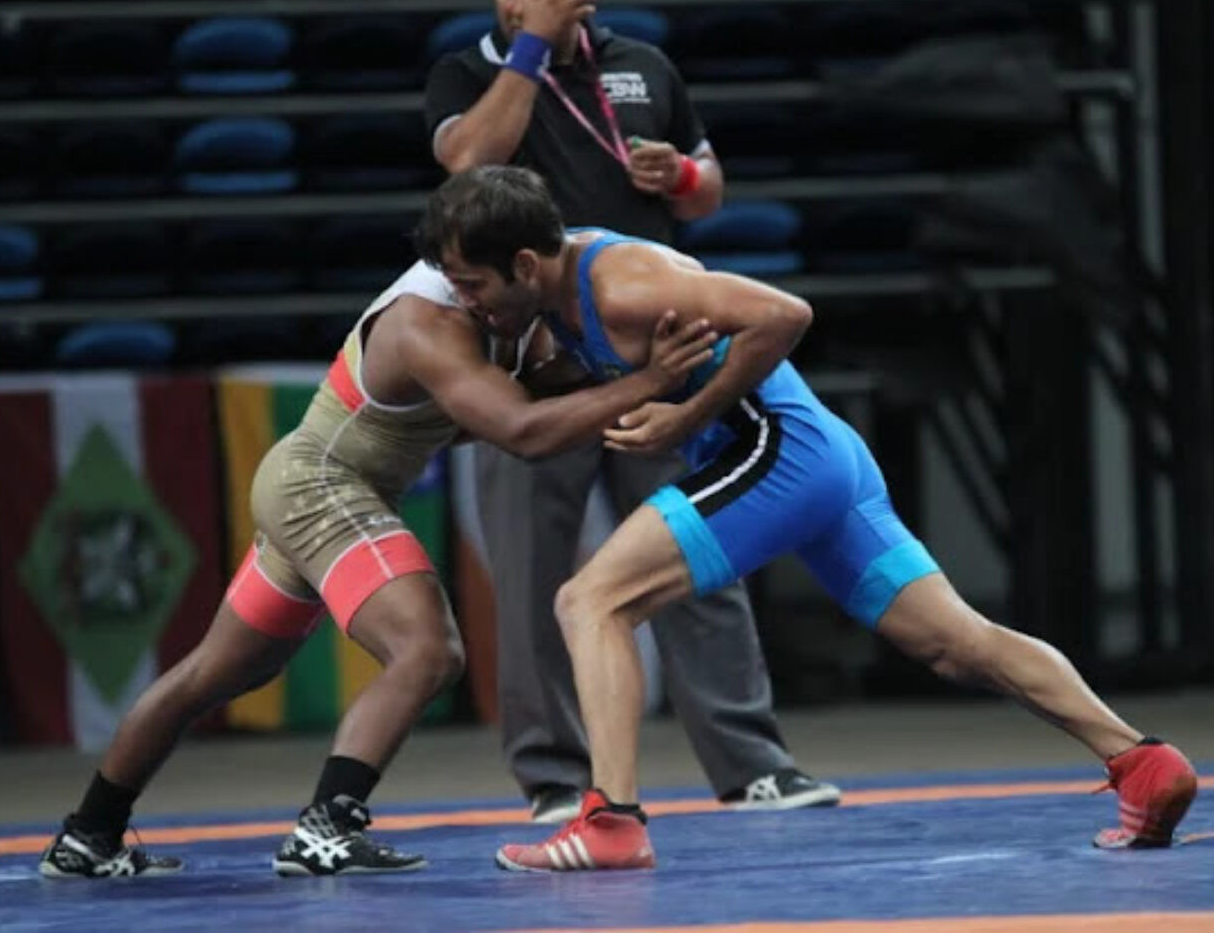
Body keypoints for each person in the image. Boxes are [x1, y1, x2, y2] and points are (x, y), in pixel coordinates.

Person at [412, 165, 1201, 873]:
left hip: (780, 451)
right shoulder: (552, 305)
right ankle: (1140, 760)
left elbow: (784, 313)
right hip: (820, 463)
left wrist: (687, 421)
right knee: (955, 643)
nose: (468, 304)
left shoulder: (623, 283)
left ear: (523, 265)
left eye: (472, 285)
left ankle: (611, 821)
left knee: (591, 600)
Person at [36, 254, 719, 879]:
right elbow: (522, 432)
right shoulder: (429, 320)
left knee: (216, 672)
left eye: (479, 286)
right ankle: (326, 826)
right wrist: (653, 380)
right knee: (427, 650)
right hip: (323, 487)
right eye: (465, 282)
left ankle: (87, 835)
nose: (472, 298)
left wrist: (631, 367)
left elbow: (543, 384)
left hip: (316, 486)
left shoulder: (511, 311)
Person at [424, 0, 837, 823]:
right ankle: (555, 779)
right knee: (534, 570)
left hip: (655, 341)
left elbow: (710, 185)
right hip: (536, 353)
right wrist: (531, 46)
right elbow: (472, 160)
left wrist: (681, 173)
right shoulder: (469, 72)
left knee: (697, 551)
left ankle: (750, 764)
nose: (516, 1)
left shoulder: (643, 67)